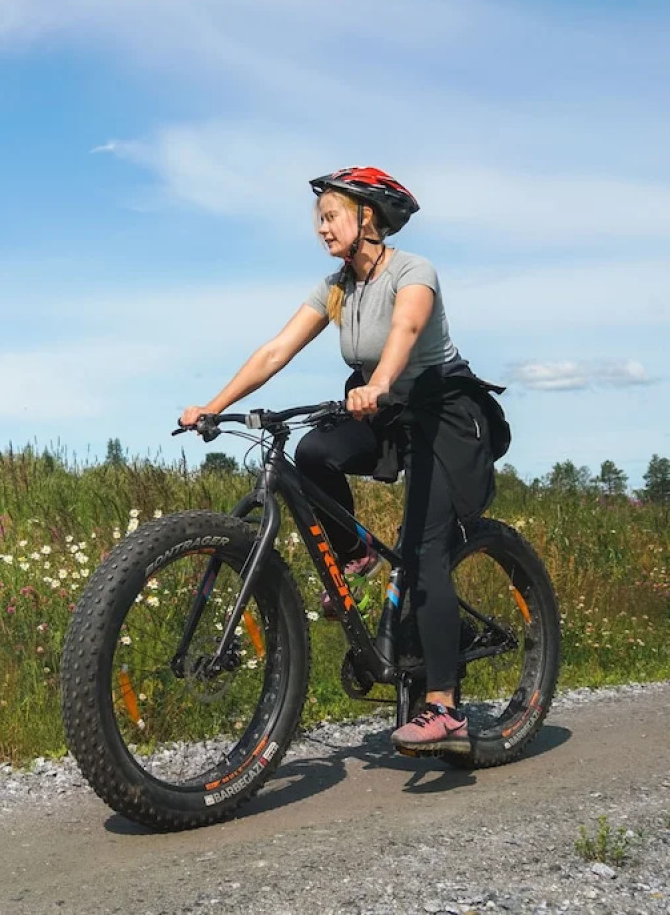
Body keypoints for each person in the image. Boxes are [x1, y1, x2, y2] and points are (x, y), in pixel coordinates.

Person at [178, 167, 509, 754]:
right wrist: (213, 406)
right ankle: (357, 554)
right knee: (311, 450)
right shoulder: (335, 287)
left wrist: (379, 380)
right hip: (380, 409)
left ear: (368, 218)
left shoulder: (414, 271)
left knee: (424, 548)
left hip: (443, 410)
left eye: (331, 215)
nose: (322, 228)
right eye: (319, 219)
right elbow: (277, 349)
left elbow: (407, 327)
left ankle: (445, 708)